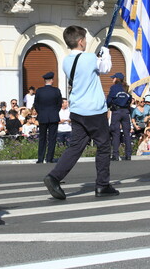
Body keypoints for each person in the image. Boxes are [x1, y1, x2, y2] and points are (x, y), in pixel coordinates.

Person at [43, 25, 118, 200]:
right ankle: (102, 184)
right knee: (104, 146)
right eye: (84, 39)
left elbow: (91, 71)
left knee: (76, 147)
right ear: (81, 41)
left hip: (77, 109)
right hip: (93, 109)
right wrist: (105, 53)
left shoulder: (66, 61)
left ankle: (54, 177)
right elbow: (105, 68)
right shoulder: (90, 58)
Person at [33, 71, 62, 164]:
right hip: (53, 117)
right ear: (52, 80)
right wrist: (54, 112)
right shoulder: (56, 91)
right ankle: (49, 158)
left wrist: (40, 113)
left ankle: (40, 158)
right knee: (52, 138)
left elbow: (36, 104)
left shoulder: (39, 91)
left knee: (42, 138)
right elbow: (59, 104)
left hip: (42, 117)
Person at [107, 72, 132, 161]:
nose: (112, 80)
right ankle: (128, 154)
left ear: (116, 79)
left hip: (116, 112)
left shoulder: (114, 88)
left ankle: (115, 155)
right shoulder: (126, 87)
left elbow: (109, 100)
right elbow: (129, 99)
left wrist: (108, 105)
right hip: (125, 112)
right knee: (127, 134)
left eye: (113, 78)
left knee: (115, 133)